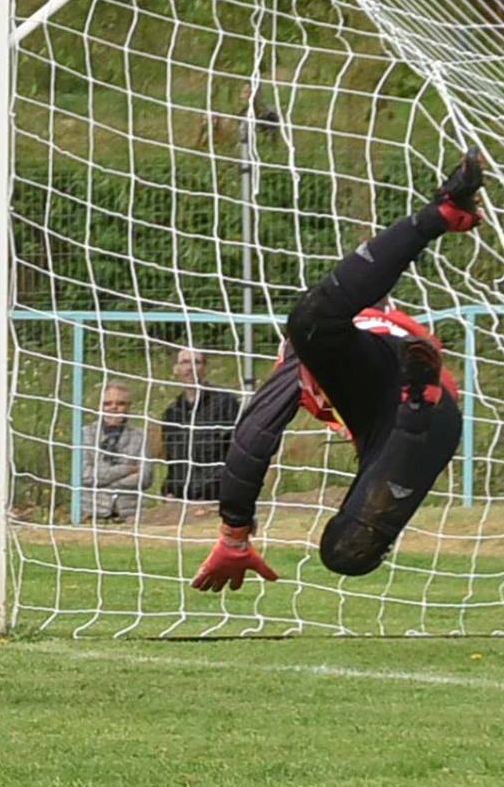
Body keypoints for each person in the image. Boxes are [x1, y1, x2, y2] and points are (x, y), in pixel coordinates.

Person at [191, 150, 486, 590]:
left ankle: (412, 406)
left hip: (393, 391)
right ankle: (437, 217)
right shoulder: (375, 323)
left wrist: (235, 533)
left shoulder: (300, 358)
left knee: (348, 552)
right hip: (430, 410)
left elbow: (253, 436)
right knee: (344, 552)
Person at [159, 347, 241, 503]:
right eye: (184, 362)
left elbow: (236, 453)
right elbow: (173, 461)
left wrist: (214, 490)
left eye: (196, 362)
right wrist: (169, 490)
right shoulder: (172, 413)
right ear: (176, 369)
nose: (190, 368)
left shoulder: (226, 403)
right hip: (180, 497)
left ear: (204, 367)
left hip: (216, 495)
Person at [81, 383, 152, 523]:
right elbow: (85, 475)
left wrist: (105, 485)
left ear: (128, 407)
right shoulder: (85, 434)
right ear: (100, 407)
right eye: (107, 403)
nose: (114, 408)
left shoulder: (140, 436)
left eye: (120, 403)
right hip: (91, 513)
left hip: (131, 515)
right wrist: (127, 469)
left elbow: (145, 477)